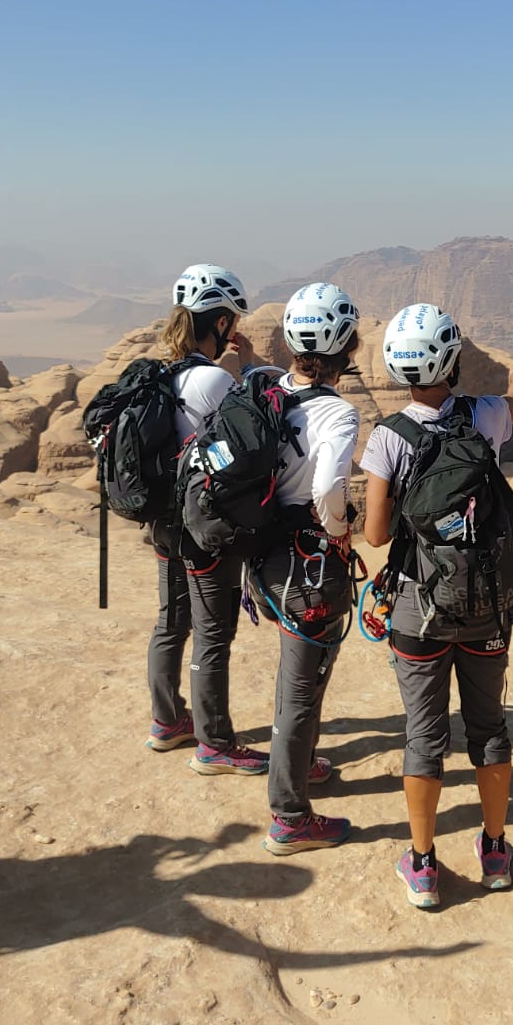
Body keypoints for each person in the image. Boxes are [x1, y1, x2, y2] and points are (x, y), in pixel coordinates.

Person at [360, 303, 513, 909]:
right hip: (486, 603)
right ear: (452, 361)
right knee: (488, 728)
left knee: (423, 734)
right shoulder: (484, 416)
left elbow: (376, 536)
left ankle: (425, 865)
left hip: (417, 607)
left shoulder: (388, 438)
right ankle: (494, 852)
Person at [144, 263, 271, 776]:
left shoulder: (159, 372)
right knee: (213, 635)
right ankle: (215, 745)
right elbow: (252, 432)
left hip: (163, 523)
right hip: (203, 528)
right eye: (231, 322)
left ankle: (167, 720)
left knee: (172, 621)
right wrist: (247, 372)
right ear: (220, 325)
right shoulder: (215, 379)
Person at [259, 283, 364, 855]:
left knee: (296, 677)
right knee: (303, 685)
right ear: (342, 345)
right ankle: (289, 817)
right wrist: (340, 530)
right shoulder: (337, 412)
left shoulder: (268, 389)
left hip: (266, 553)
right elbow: (327, 488)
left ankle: (297, 767)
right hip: (307, 564)